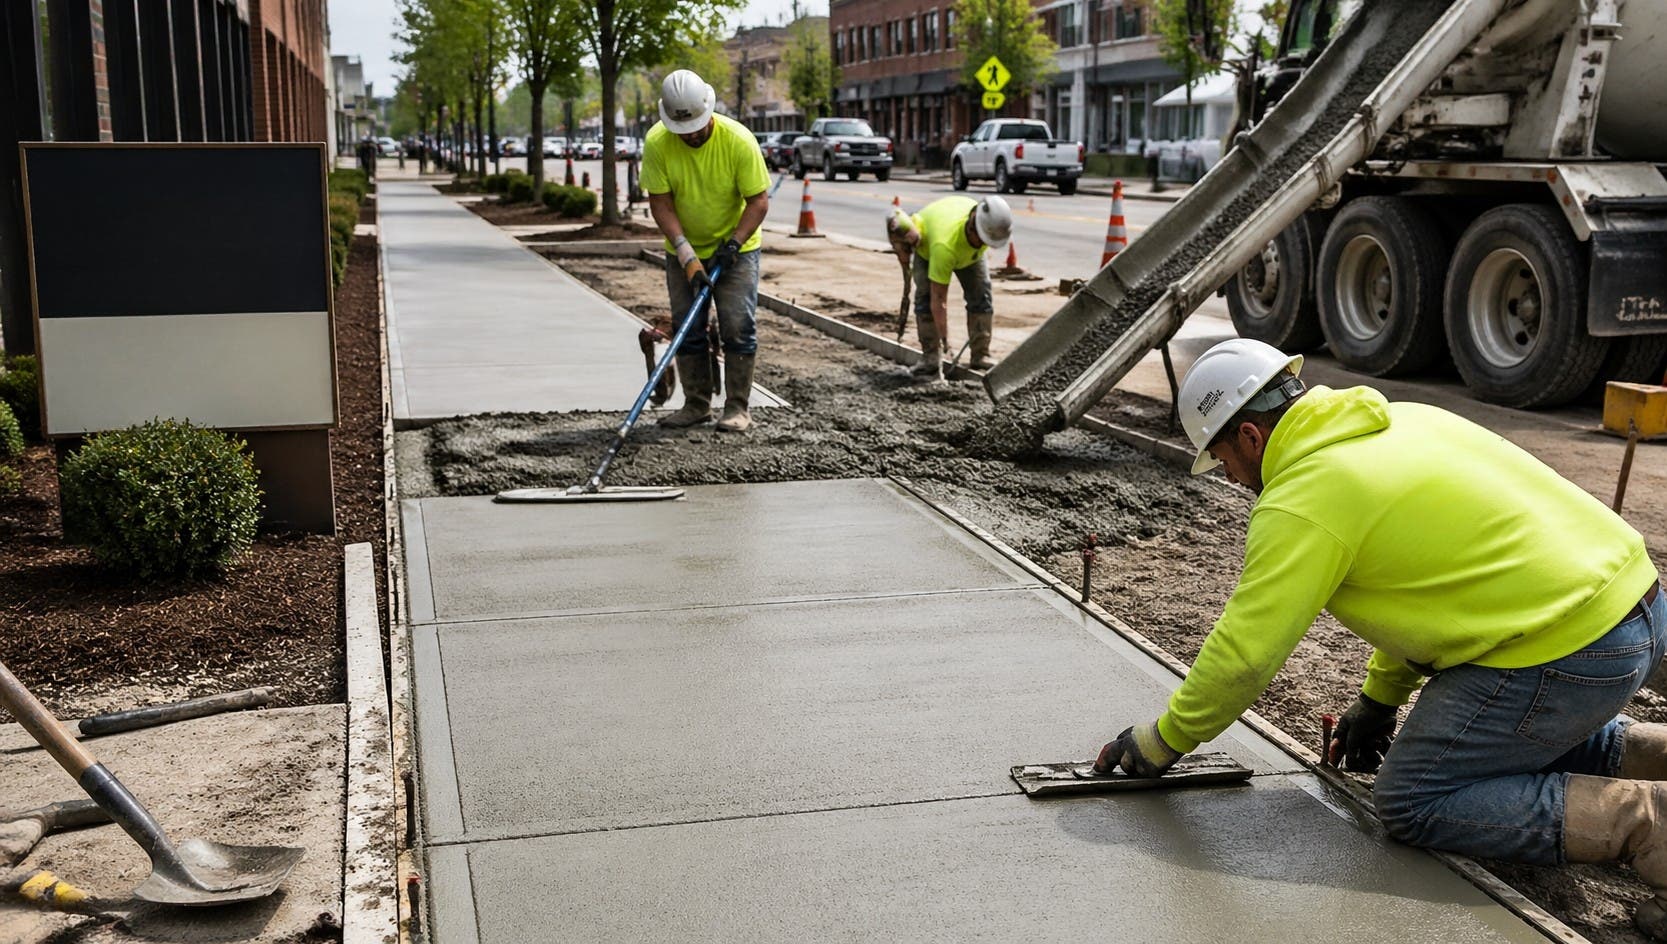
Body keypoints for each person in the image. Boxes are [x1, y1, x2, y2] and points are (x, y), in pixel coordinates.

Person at [1093, 338, 1667, 936]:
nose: (1233, 480)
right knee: (1501, 740)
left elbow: (1244, 657)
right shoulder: (1406, 419)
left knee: (1413, 798)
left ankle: (1648, 824)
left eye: (1224, 462)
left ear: (1251, 439)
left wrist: (1163, 742)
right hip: (1637, 610)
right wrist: (1377, 701)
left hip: (1568, 651)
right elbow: (1426, 588)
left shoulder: (1303, 497)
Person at [642, 69, 770, 432]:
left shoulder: (738, 140)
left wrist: (733, 244)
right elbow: (661, 203)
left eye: (697, 125)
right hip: (682, 246)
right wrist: (687, 256)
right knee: (688, 327)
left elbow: (758, 201)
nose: (692, 134)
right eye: (683, 130)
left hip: (737, 247)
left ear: (708, 110)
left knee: (738, 326)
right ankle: (696, 404)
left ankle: (738, 408)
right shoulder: (657, 143)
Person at [885, 194, 1012, 379]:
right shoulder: (944, 246)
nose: (985, 245)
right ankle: (930, 359)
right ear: (973, 228)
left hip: (962, 250)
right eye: (983, 241)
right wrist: (946, 343)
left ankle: (981, 355)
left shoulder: (990, 224)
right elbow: (939, 301)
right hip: (930, 248)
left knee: (981, 296)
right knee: (925, 300)